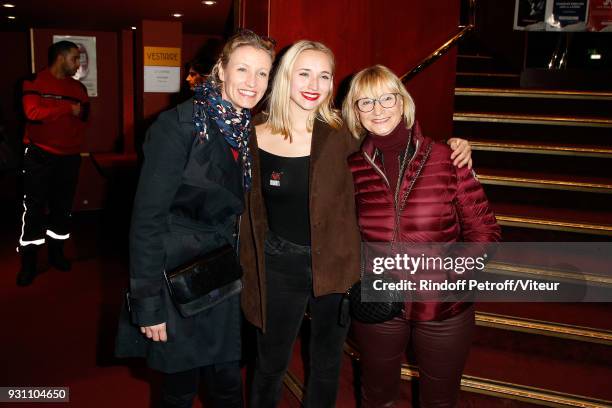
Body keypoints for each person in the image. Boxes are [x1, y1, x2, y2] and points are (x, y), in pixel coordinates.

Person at [239, 41, 473, 408]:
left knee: (326, 363)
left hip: (337, 264)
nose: (314, 83)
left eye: (324, 75)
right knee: (269, 363)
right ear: (285, 77)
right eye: (304, 73)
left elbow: (398, 141)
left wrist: (456, 145)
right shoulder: (252, 134)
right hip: (278, 264)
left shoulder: (345, 134)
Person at [115, 30, 275, 408]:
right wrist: (148, 304)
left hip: (226, 278)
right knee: (179, 391)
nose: (252, 83)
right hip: (178, 280)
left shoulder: (247, 127)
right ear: (221, 70)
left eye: (263, 73)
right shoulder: (180, 126)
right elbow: (147, 221)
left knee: (226, 386)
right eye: (243, 69)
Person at [343, 65, 501, 408]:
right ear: (355, 112)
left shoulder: (447, 158)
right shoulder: (351, 169)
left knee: (439, 400)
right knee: (376, 397)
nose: (378, 109)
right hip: (380, 303)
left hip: (445, 306)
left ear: (403, 103)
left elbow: (485, 230)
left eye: (387, 98)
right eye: (365, 102)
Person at [17, 40, 90, 286]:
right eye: (74, 59)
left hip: (69, 158)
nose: (78, 64)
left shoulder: (79, 88)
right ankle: (28, 263)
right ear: (60, 57)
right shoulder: (33, 81)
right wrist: (65, 109)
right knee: (34, 208)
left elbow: (84, 119)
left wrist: (75, 143)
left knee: (62, 208)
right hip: (39, 155)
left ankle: (57, 254)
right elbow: (32, 113)